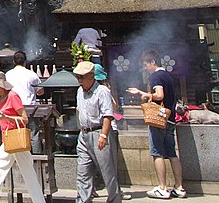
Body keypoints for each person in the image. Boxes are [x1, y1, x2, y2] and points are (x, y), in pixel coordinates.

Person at [128, 49, 187, 199]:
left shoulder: (156, 76)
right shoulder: (168, 75)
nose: (145, 68)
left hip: (158, 119)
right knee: (172, 153)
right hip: (171, 118)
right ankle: (179, 187)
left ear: (152, 62)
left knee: (157, 152)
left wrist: (143, 94)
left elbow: (160, 95)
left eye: (146, 65)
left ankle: (162, 187)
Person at [0, 70, 46, 203]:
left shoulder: (12, 96)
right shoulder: (3, 98)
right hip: (8, 139)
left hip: (16, 138)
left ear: (1, 86)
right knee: (1, 171)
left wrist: (6, 117)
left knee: (21, 173)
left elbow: (24, 119)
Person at [74, 60, 121, 203]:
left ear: (91, 76)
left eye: (82, 77)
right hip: (84, 134)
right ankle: (83, 200)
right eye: (78, 77)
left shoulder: (102, 91)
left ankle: (114, 199)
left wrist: (103, 135)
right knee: (82, 172)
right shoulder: (79, 92)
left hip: (99, 132)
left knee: (108, 172)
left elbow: (108, 115)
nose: (79, 80)